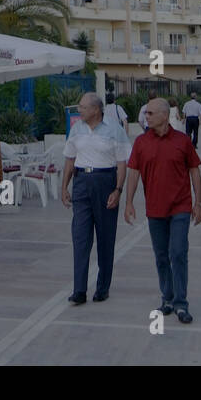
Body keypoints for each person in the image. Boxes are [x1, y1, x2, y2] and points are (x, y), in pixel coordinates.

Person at [124, 97, 201, 324]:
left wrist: (198, 202)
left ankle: (181, 302)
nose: (145, 117)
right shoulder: (140, 142)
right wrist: (128, 202)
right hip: (154, 209)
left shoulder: (182, 141)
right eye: (145, 113)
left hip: (180, 207)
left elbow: (194, 171)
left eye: (150, 113)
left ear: (164, 115)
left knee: (177, 253)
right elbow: (133, 173)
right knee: (161, 256)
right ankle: (167, 298)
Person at [61, 93, 130, 305]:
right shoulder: (77, 129)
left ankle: (102, 287)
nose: (79, 110)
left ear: (95, 110)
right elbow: (70, 159)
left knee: (105, 237)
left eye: (82, 107)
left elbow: (121, 163)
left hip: (105, 182)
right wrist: (64, 187)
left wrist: (118, 189)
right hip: (82, 182)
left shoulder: (114, 130)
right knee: (80, 237)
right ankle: (79, 290)